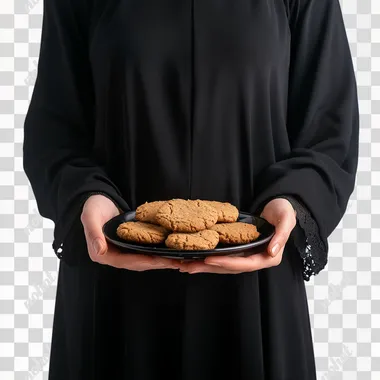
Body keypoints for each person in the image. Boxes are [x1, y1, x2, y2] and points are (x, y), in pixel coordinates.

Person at [23, 0, 359, 379]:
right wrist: (86, 195)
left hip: (256, 289)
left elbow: (329, 130)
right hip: (113, 289)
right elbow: (55, 131)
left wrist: (292, 202)